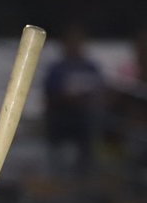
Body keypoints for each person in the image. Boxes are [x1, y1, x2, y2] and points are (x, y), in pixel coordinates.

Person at [42, 23, 106, 171]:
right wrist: (69, 98)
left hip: (86, 117)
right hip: (62, 117)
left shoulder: (91, 67)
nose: (75, 45)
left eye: (78, 41)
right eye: (71, 41)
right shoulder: (57, 69)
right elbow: (51, 95)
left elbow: (100, 91)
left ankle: (88, 169)